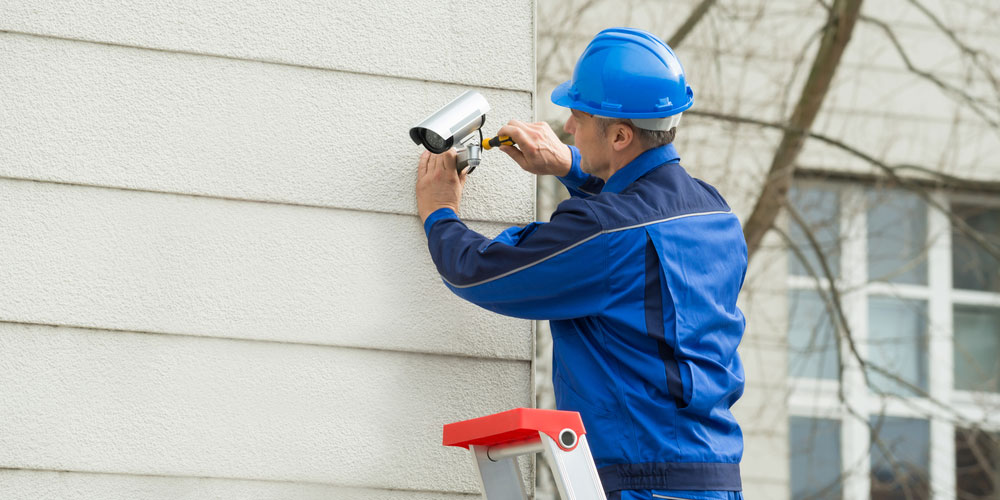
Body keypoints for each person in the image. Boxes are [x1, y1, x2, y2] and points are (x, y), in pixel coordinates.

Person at [415, 27, 746, 500]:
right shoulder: (715, 214)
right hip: (715, 481)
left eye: (578, 116)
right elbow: (639, 227)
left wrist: (439, 211)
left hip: (645, 486)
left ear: (620, 135)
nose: (568, 127)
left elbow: (481, 270)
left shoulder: (604, 232)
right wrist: (572, 165)